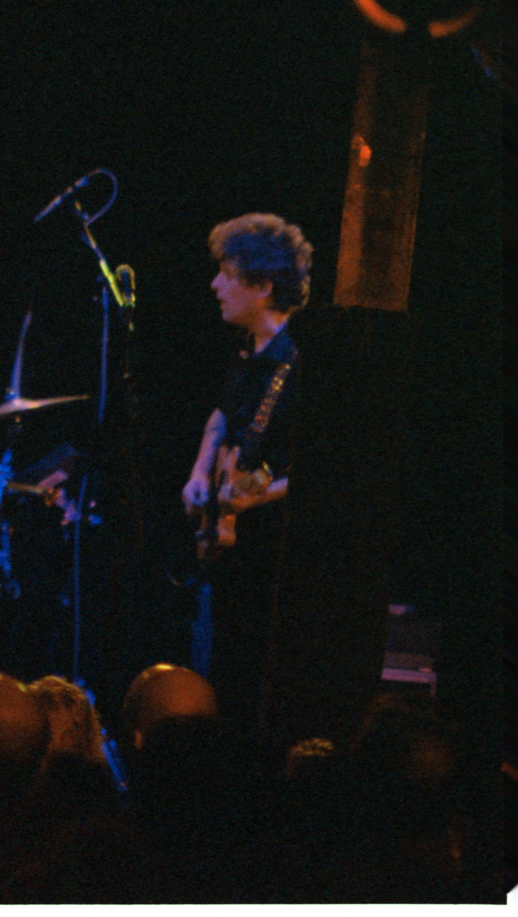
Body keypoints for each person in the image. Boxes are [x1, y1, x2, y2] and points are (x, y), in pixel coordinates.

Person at [178, 213, 311, 727]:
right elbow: (221, 416)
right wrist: (199, 471)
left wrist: (261, 495)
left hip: (271, 555)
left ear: (263, 285)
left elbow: (321, 467)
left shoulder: (301, 363)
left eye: (228, 274)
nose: (215, 284)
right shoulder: (244, 351)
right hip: (227, 544)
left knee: (249, 679)